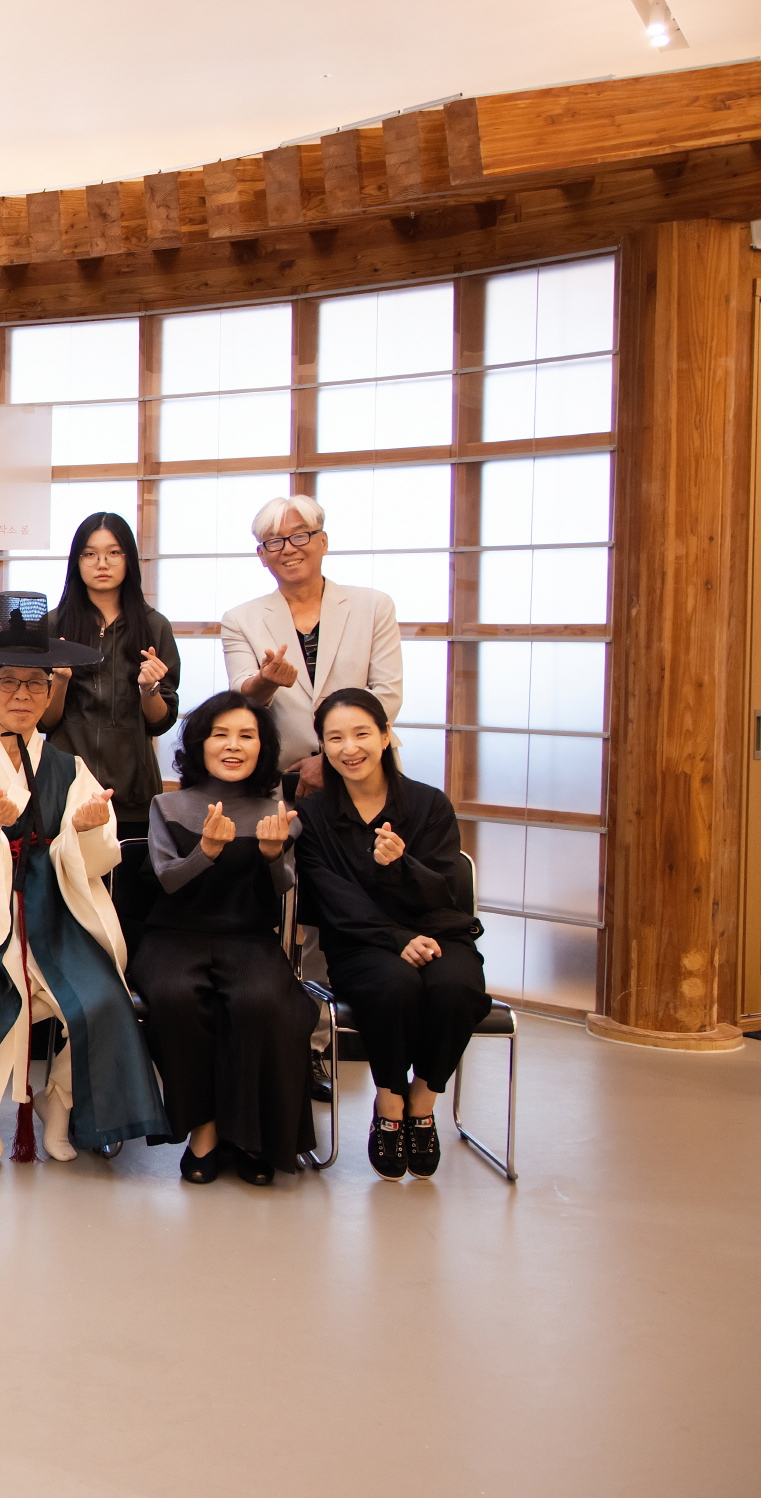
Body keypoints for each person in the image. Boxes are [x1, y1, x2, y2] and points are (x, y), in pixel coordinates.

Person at [0, 595, 169, 1163]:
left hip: (57, 913)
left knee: (102, 999)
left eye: (36, 684)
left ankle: (58, 1103)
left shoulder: (69, 767)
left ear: (50, 691)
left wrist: (83, 832)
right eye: (8, 683)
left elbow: (100, 858)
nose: (22, 695)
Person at [294, 688, 488, 1181]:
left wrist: (401, 865)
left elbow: (444, 891)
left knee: (457, 986)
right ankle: (388, 1100)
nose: (349, 748)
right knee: (393, 984)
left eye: (361, 733)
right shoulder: (315, 816)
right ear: (323, 747)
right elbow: (331, 897)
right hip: (361, 941)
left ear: (385, 736)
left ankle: (423, 1099)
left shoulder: (429, 804)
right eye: (334, 738)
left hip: (437, 931)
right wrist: (395, 938)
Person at [133, 691, 317, 1186]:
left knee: (263, 1003)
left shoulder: (277, 811)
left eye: (246, 736)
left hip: (249, 937)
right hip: (173, 936)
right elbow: (168, 879)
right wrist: (206, 851)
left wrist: (274, 856)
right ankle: (205, 1130)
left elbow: (282, 889)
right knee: (176, 999)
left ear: (262, 748)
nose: (233, 745)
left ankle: (252, 1137)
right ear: (200, 744)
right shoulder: (167, 804)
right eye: (221, 734)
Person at [41, 509, 180, 945]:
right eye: (90, 554)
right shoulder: (55, 626)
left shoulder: (153, 625)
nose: (102, 563)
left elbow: (161, 721)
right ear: (76, 561)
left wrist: (149, 689)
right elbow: (44, 721)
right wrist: (60, 680)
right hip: (66, 785)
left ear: (129, 560)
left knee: (129, 909)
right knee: (67, 905)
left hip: (133, 788)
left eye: (113, 553)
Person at [220, 493, 403, 791]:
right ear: (262, 555)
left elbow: (387, 693)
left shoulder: (373, 606)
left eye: (300, 535)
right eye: (274, 541)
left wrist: (331, 757)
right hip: (285, 776)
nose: (288, 548)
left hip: (365, 770)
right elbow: (241, 700)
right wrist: (266, 681)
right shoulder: (239, 619)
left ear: (323, 542)